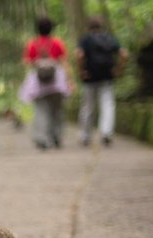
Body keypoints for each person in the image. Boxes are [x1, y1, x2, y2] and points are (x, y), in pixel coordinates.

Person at [20, 16, 74, 150]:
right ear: (51, 28)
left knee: (40, 110)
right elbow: (65, 62)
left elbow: (26, 62)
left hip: (38, 82)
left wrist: (39, 63)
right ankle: (56, 137)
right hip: (57, 82)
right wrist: (70, 80)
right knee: (57, 110)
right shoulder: (57, 43)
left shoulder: (32, 44)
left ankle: (41, 138)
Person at [76, 16, 129, 147]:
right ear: (101, 26)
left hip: (90, 77)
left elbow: (79, 55)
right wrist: (118, 69)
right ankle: (106, 133)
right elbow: (124, 54)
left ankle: (85, 135)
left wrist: (81, 70)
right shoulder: (109, 38)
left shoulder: (86, 39)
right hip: (107, 77)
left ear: (89, 27)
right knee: (108, 105)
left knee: (88, 107)